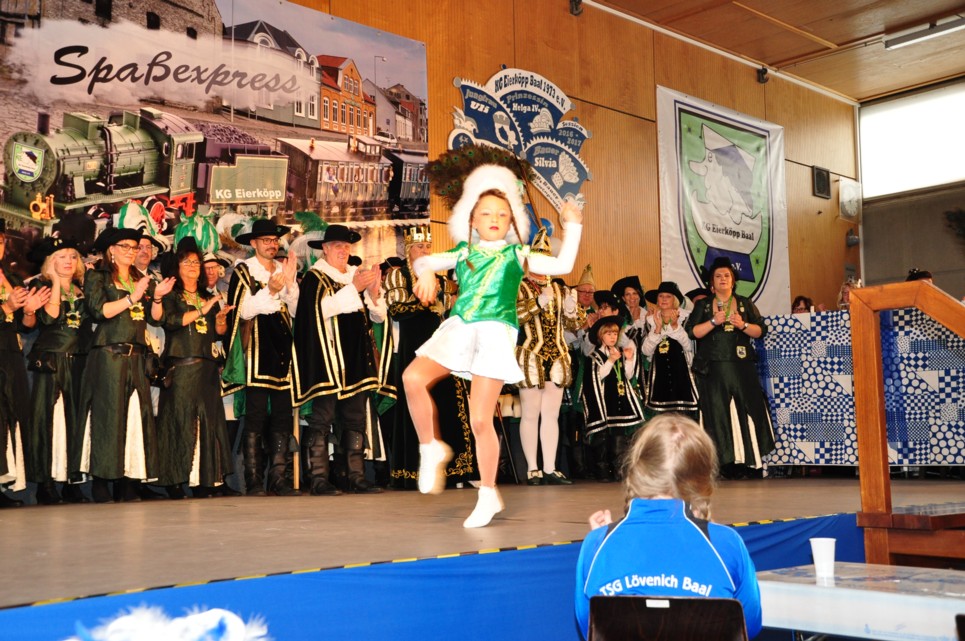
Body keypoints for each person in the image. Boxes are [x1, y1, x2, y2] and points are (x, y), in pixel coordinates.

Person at [403, 162, 583, 528]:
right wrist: (426, 273)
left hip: (494, 335)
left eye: (502, 213)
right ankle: (430, 447)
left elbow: (563, 265)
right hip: (460, 329)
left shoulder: (516, 255)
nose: (495, 218)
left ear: (512, 219)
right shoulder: (462, 253)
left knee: (481, 419)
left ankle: (487, 492)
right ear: (472, 219)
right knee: (412, 378)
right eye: (486, 213)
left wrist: (574, 226)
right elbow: (424, 261)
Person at [575, 414, 763, 640]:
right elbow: (749, 625)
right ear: (703, 480)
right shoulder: (726, 544)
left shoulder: (596, 545)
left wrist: (605, 541)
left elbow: (590, 627)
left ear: (637, 470)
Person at [76, 227, 176, 503]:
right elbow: (99, 311)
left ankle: (127, 480)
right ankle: (101, 480)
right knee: (107, 416)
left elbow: (156, 319)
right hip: (109, 355)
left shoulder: (140, 279)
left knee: (134, 417)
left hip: (136, 357)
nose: (132, 252)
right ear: (111, 249)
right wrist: (132, 297)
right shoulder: (98, 276)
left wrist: (157, 297)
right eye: (126, 247)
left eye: (135, 247)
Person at [292, 224, 385, 495]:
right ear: (325, 249)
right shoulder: (316, 277)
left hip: (354, 359)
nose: (343, 250)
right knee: (322, 418)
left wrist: (374, 294)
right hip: (328, 360)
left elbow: (378, 317)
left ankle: (355, 476)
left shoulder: (356, 275)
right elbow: (315, 312)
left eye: (346, 246)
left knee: (355, 418)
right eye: (337, 246)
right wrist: (354, 289)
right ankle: (318, 478)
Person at [384, 225, 473, 490]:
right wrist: (423, 299)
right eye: (419, 247)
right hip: (413, 347)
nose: (424, 251)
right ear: (408, 250)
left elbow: (450, 312)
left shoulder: (441, 280)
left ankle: (456, 472)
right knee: (417, 403)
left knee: (449, 402)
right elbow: (396, 310)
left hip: (440, 345)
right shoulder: (399, 275)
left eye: (428, 247)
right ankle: (414, 471)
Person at [222, 219, 300, 497]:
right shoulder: (243, 271)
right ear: (253, 243)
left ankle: (278, 479)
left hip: (283, 351)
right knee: (255, 418)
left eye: (274, 240)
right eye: (266, 240)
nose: (272, 244)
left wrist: (289, 285)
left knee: (282, 418)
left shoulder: (282, 269)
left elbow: (295, 311)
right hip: (256, 353)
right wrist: (271, 291)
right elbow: (241, 312)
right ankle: (253, 480)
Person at [153, 237, 234, 498]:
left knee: (209, 424)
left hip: (207, 368)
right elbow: (171, 322)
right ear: (177, 267)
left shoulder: (207, 296)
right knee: (179, 423)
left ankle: (205, 480)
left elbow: (218, 333)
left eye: (196, 262)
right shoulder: (172, 295)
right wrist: (202, 311)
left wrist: (219, 320)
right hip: (182, 367)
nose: (193, 266)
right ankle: (175, 481)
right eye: (187, 262)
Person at [685, 257, 775, 478]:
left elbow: (760, 331)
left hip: (741, 367)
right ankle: (724, 464)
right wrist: (713, 322)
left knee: (746, 409)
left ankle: (750, 463)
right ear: (712, 283)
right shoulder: (704, 305)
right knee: (717, 413)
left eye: (727, 275)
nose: (723, 279)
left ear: (733, 281)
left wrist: (742, 325)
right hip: (713, 369)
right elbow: (692, 332)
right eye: (718, 276)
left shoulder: (745, 303)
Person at [25, 237, 93, 505]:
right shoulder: (41, 286)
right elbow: (49, 317)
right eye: (61, 257)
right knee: (49, 421)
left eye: (73, 256)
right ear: (49, 262)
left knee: (75, 420)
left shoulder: (81, 289)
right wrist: (55, 282)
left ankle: (71, 481)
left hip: (78, 362)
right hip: (52, 362)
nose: (68, 261)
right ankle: (46, 483)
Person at [515, 253, 585, 486]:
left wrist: (572, 310)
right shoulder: (518, 286)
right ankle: (532, 469)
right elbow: (513, 316)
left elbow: (575, 325)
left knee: (551, 415)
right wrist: (537, 303)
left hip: (557, 355)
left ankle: (549, 467)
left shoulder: (560, 289)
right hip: (531, 354)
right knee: (530, 413)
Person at [0, 221, 50, 506]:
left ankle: (5, 482)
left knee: (11, 417)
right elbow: (8, 310)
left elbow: (25, 325)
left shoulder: (11, 277)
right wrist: (7, 307)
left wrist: (29, 311)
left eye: (0, 241)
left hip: (10, 354)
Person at [582, 316, 644, 482]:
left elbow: (628, 376)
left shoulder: (619, 353)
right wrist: (610, 361)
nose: (612, 337)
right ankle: (602, 469)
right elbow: (597, 377)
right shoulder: (594, 356)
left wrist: (629, 360)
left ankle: (618, 468)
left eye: (615, 334)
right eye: (608, 334)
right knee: (602, 436)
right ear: (601, 336)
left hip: (619, 399)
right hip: (603, 401)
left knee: (619, 434)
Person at [641, 281, 697, 415]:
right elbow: (646, 351)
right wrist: (658, 329)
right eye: (661, 296)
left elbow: (690, 346)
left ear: (675, 300)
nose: (664, 299)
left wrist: (675, 326)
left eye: (668, 296)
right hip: (659, 376)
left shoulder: (687, 317)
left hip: (682, 374)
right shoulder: (650, 320)